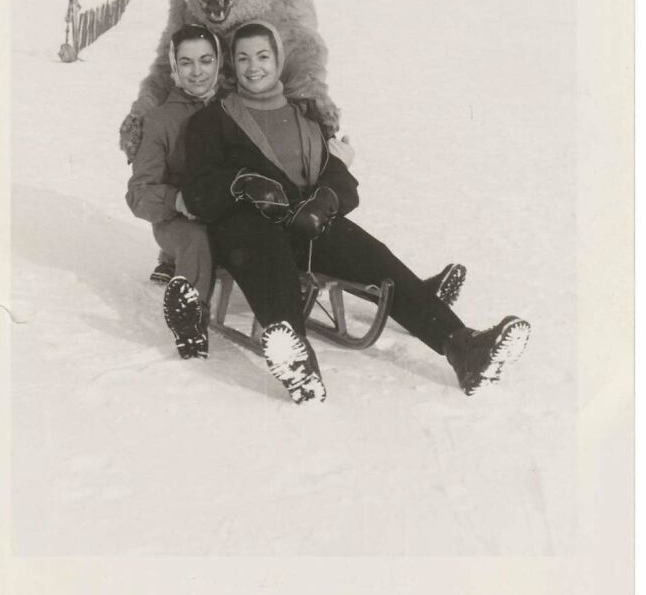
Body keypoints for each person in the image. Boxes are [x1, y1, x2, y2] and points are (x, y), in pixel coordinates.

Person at [178, 21, 529, 404]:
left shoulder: (305, 116)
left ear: (278, 60)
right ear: (232, 63)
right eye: (243, 58)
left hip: (301, 223)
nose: (253, 67)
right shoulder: (212, 120)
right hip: (243, 230)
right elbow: (195, 191)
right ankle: (296, 357)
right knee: (266, 250)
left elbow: (335, 172)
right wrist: (240, 183)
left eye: (263, 56)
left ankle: (463, 347)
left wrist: (326, 200)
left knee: (371, 254)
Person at [126, 25, 222, 359]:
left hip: (225, 213)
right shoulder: (161, 120)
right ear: (174, 67)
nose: (197, 72)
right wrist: (176, 200)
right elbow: (139, 194)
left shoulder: (233, 107)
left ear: (219, 62)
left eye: (206, 60)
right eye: (186, 62)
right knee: (197, 239)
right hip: (178, 221)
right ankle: (191, 320)